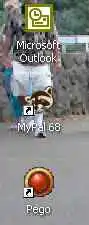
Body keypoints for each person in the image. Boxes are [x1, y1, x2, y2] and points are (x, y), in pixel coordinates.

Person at [2, 0, 60, 138]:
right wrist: (4, 56)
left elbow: (53, 38)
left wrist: (57, 59)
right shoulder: (15, 14)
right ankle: (28, 117)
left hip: (40, 62)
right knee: (21, 93)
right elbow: (8, 37)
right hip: (20, 62)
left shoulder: (44, 13)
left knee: (42, 91)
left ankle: (39, 126)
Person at [1, 0, 23, 131]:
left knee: (21, 92)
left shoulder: (22, 23)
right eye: (8, 8)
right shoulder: (5, 26)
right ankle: (19, 119)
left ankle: (26, 119)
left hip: (20, 62)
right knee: (11, 92)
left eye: (12, 7)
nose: (10, 11)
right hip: (9, 63)